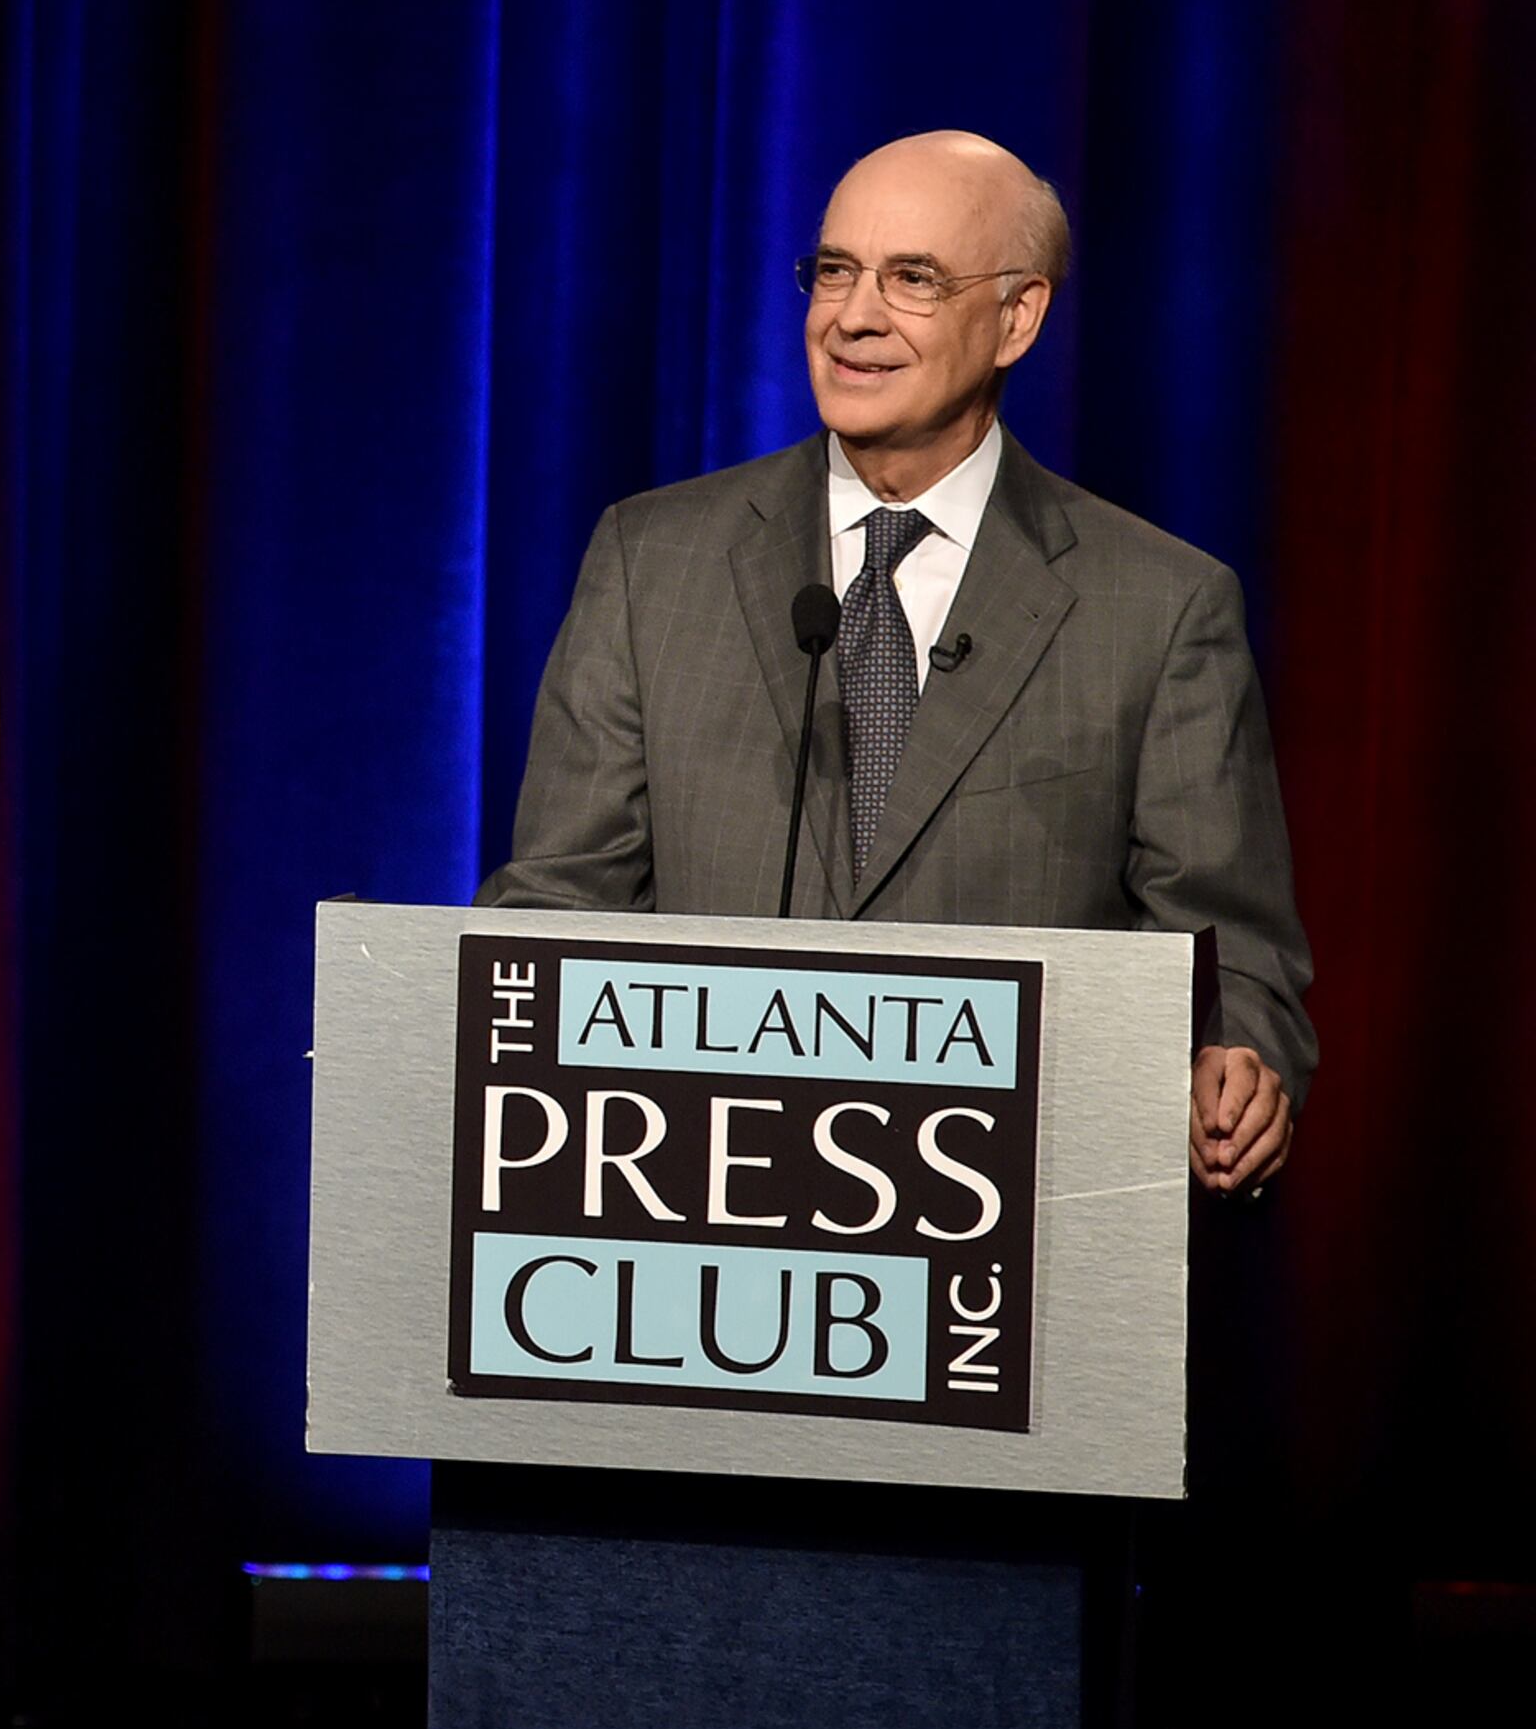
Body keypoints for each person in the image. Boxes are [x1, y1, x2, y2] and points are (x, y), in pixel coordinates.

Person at [484, 129, 1312, 1194]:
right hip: (695, 1215)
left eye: (912, 279)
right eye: (834, 271)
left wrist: (1238, 1061)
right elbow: (558, 906)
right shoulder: (655, 560)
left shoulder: (1156, 607)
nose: (853, 316)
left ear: (1018, 316)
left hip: (1005, 1232)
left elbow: (1230, 957)